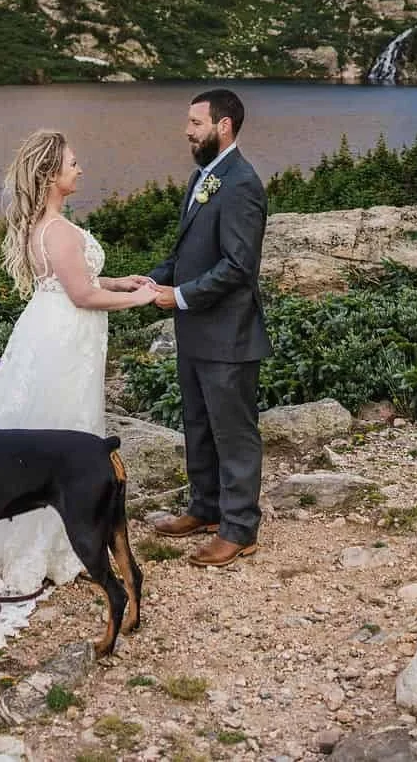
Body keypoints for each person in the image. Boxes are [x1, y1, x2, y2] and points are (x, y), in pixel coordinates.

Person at [0, 131, 156, 595]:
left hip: (50, 328)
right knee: (63, 425)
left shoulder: (44, 228)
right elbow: (83, 294)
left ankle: (54, 530)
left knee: (44, 423)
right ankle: (49, 539)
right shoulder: (61, 230)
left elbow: (78, 279)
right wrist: (144, 299)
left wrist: (122, 281)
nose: (80, 168)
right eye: (72, 163)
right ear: (51, 175)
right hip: (67, 337)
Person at [147, 89, 270, 567]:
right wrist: (152, 280)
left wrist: (177, 295)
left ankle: (240, 528)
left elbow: (239, 266)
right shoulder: (205, 177)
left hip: (229, 335)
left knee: (234, 432)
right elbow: (186, 254)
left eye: (196, 122)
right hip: (195, 332)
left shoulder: (240, 184)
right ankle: (206, 508)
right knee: (198, 424)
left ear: (224, 126)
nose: (187, 130)